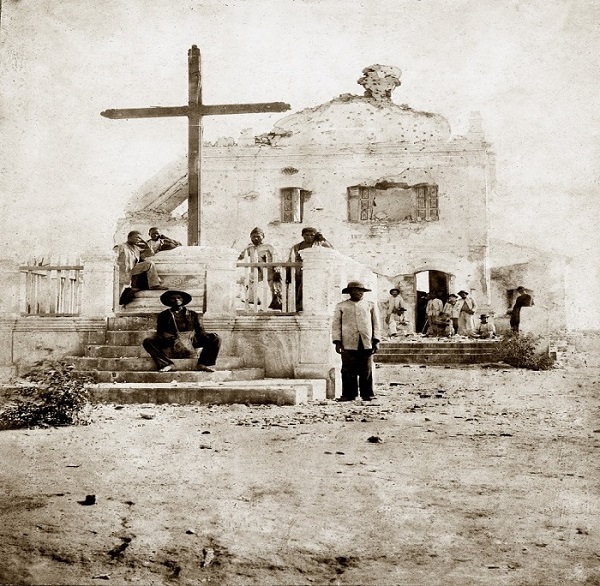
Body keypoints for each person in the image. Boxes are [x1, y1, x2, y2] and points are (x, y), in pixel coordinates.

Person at [142, 290, 221, 373]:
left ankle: (203, 364)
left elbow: (199, 330)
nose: (176, 300)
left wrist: (208, 335)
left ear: (183, 300)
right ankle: (167, 364)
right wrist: (173, 338)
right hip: (172, 341)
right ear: (169, 301)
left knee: (216, 338)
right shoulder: (164, 315)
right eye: (173, 298)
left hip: (191, 339)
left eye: (179, 298)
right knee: (148, 341)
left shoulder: (192, 314)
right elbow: (161, 331)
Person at [332, 281, 381, 402]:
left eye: (360, 291)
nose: (358, 293)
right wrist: (337, 341)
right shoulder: (341, 306)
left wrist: (376, 340)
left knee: (366, 369)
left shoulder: (370, 305)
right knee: (348, 369)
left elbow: (376, 324)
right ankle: (348, 394)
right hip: (348, 342)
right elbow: (336, 325)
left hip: (366, 341)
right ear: (350, 292)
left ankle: (367, 393)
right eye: (354, 291)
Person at [289, 227, 333, 311]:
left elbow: (331, 250)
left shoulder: (319, 244)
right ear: (302, 235)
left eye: (312, 235)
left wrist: (323, 239)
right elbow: (291, 260)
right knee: (298, 292)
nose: (309, 237)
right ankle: (299, 308)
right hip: (299, 273)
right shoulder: (297, 247)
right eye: (307, 235)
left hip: (314, 273)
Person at [238, 227, 279, 309]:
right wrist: (245, 247)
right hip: (257, 273)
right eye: (253, 237)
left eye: (258, 236)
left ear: (263, 237)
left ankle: (269, 306)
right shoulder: (250, 248)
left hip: (269, 272)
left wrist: (277, 270)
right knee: (247, 282)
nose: (256, 238)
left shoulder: (268, 247)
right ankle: (251, 303)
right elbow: (240, 256)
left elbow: (276, 257)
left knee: (270, 290)